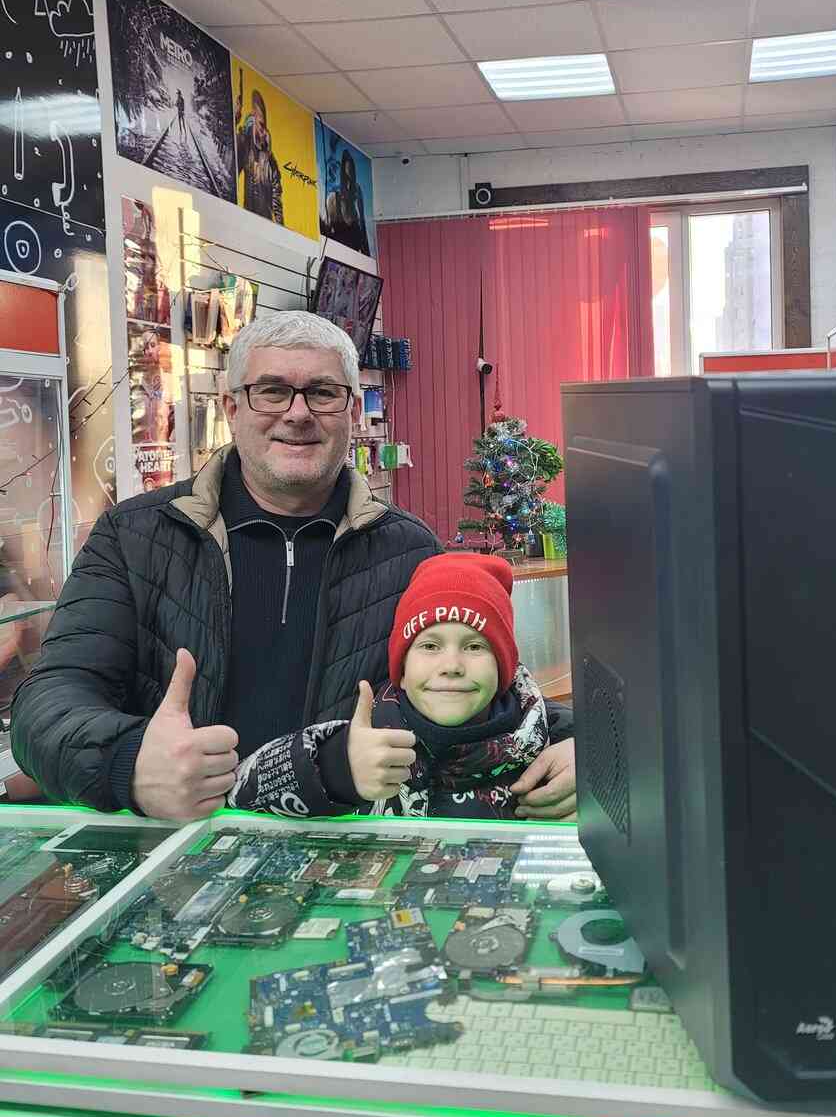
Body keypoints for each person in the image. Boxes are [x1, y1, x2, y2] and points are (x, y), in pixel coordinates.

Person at [10, 309, 577, 822]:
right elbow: (48, 700)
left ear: (351, 411)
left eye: (323, 393)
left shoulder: (407, 549)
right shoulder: (135, 536)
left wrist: (583, 744)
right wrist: (130, 763)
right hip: (175, 847)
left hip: (346, 856)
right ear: (232, 408)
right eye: (272, 391)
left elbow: (480, 681)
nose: (298, 413)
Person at [229, 552, 563, 819]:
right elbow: (239, 793)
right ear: (401, 669)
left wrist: (591, 764)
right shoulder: (360, 739)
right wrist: (335, 769)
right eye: (429, 646)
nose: (451, 666)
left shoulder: (554, 755)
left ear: (503, 668)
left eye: (475, 646)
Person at [235, 87, 283, 224]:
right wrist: (234, 119)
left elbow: (277, 200)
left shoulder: (271, 163)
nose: (262, 131)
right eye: (260, 125)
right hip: (248, 220)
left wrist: (280, 228)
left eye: (264, 126)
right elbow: (231, 159)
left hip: (266, 224)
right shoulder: (246, 146)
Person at [322, 147, 370, 258]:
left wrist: (367, 256)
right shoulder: (333, 198)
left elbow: (363, 224)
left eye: (351, 179)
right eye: (346, 178)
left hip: (355, 251)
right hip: (339, 252)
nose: (349, 184)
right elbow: (328, 228)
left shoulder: (357, 193)